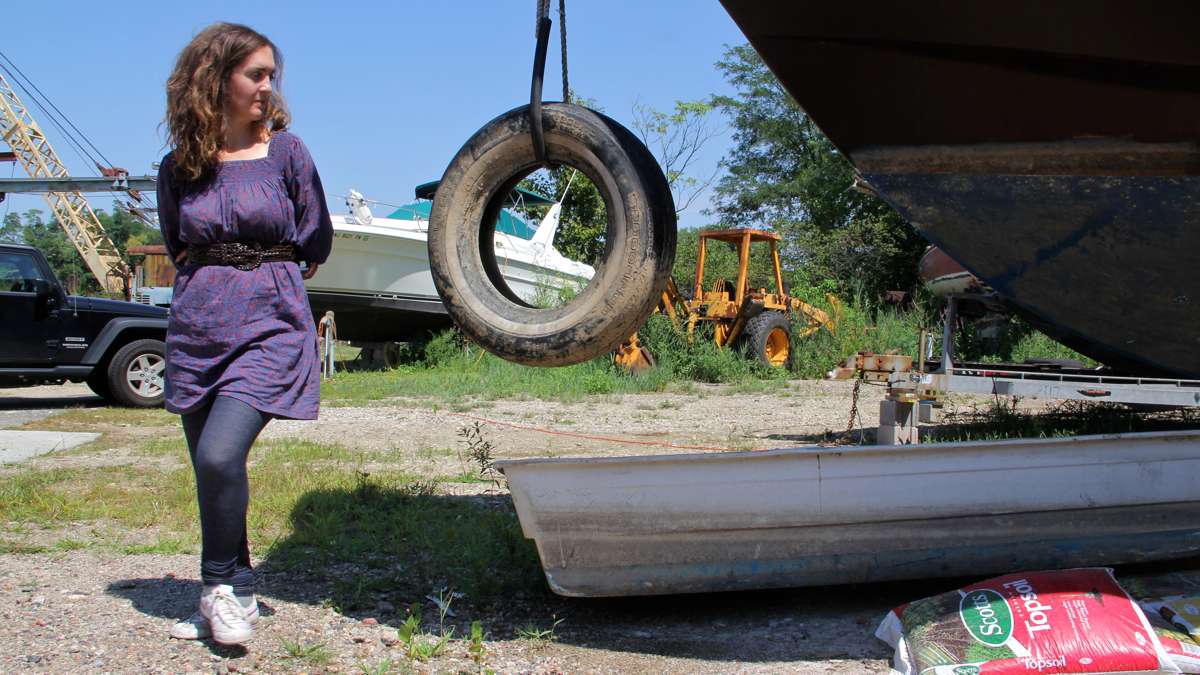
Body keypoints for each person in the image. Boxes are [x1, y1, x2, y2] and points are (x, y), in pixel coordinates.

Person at [156, 22, 333, 646]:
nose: (267, 86)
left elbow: (317, 236)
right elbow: (178, 242)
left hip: (270, 324)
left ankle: (213, 588)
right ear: (215, 80)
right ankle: (241, 589)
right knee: (213, 472)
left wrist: (270, 265)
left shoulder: (287, 153)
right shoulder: (180, 167)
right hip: (199, 326)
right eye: (254, 74)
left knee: (219, 454)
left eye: (270, 75)